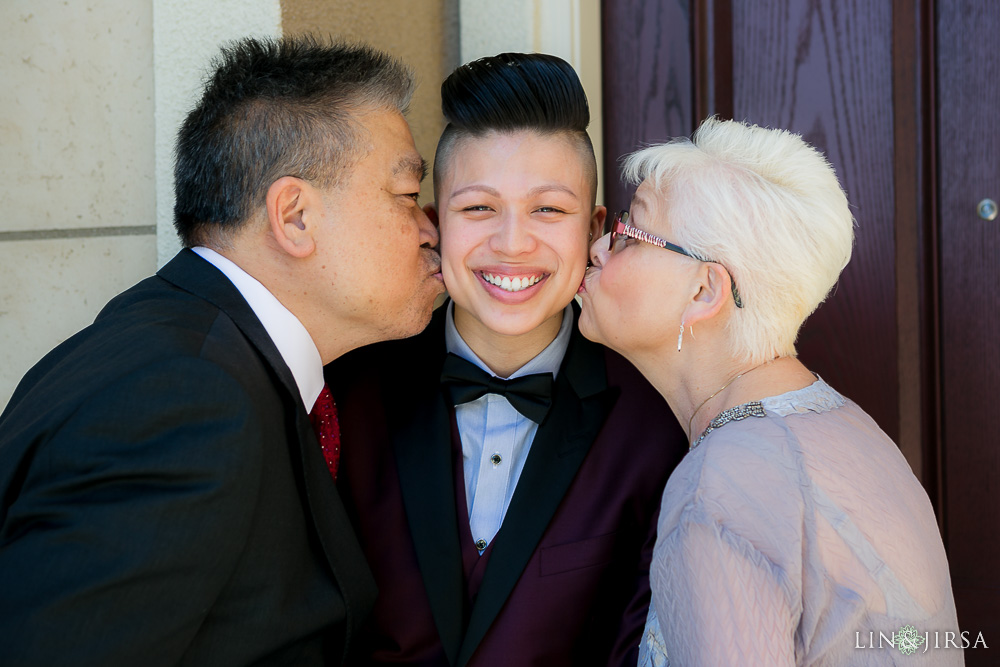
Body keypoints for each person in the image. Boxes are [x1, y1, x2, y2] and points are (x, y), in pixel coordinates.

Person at [0, 36, 444, 666]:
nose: (431, 229)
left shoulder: (187, 351)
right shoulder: (184, 398)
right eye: (405, 195)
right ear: (294, 217)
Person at [329, 53, 687, 666]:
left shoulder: (655, 420)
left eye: (548, 209)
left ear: (595, 227)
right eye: (478, 208)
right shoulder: (346, 391)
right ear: (434, 223)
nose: (513, 243)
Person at [578, 117, 962, 666]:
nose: (597, 248)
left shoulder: (722, 486)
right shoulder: (851, 429)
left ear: (704, 290)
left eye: (628, 231)